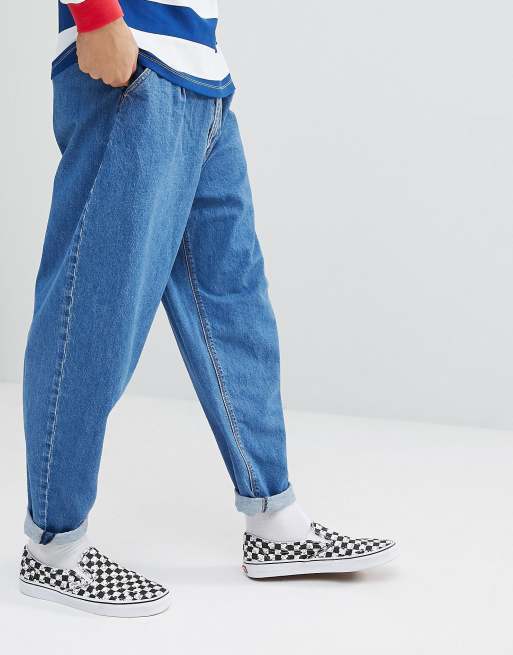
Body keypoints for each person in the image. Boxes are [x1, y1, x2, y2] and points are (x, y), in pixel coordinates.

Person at [20, 0, 398, 618]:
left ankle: (274, 519)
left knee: (235, 308)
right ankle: (53, 546)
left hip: (203, 71)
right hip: (131, 57)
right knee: (94, 307)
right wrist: (95, 14)